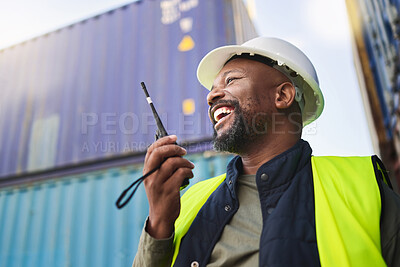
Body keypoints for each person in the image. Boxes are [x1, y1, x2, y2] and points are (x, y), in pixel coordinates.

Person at [133, 37, 400, 267]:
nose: (211, 97)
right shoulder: (191, 201)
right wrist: (159, 220)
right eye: (212, 90)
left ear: (283, 96)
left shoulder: (361, 184)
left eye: (231, 80)